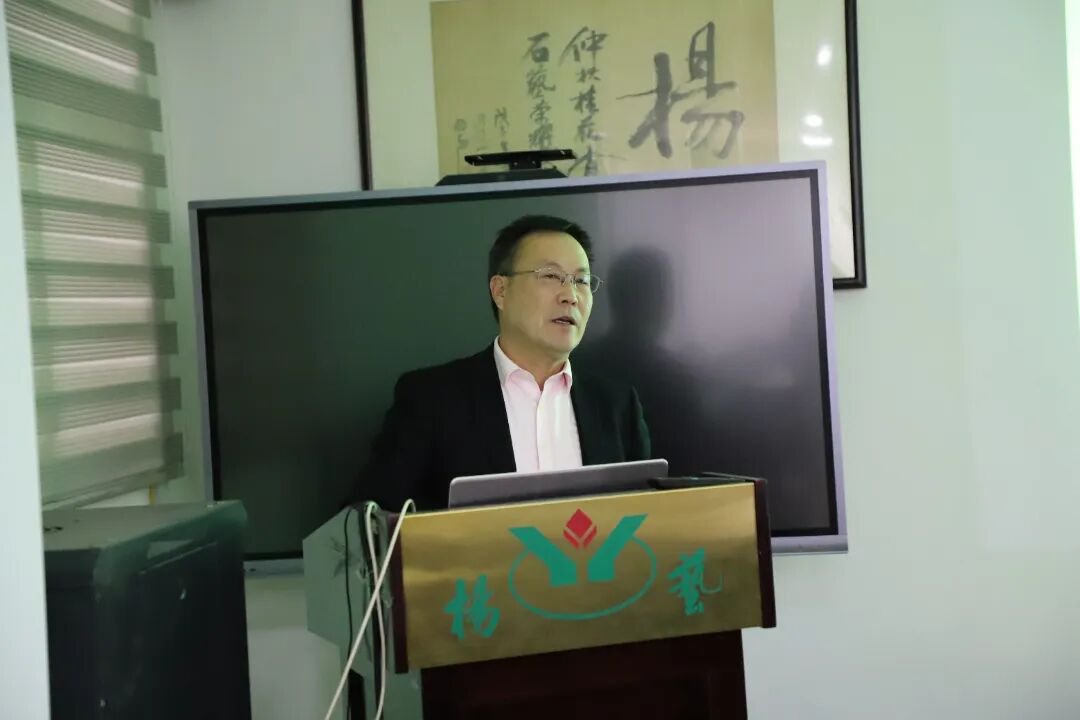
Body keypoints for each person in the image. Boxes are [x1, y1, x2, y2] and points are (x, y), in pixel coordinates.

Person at [356, 214, 651, 511]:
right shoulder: (432, 399)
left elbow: (648, 517)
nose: (570, 296)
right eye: (551, 276)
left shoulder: (617, 406)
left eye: (581, 281)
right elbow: (369, 518)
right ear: (500, 291)